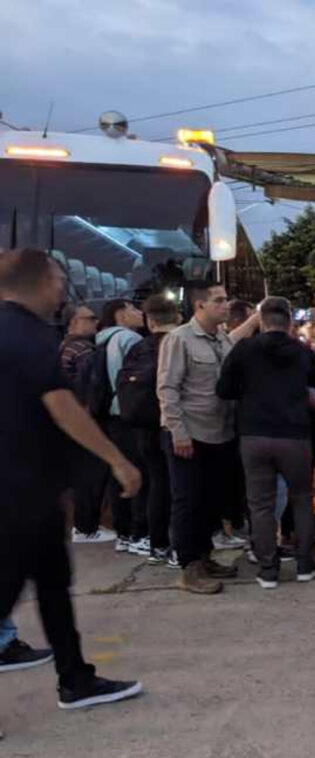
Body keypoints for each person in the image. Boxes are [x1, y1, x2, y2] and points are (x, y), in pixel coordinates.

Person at [0, 247, 142, 709]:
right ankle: (75, 679)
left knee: (54, 587)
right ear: (40, 282)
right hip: (18, 491)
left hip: (31, 488)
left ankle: (75, 679)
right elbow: (60, 405)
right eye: (59, 282)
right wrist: (116, 459)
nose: (63, 291)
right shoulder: (29, 333)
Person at [216, 297, 315, 590]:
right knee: (301, 498)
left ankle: (268, 570)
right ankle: (304, 564)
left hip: (254, 435)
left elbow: (223, 389)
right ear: (289, 322)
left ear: (261, 322)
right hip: (295, 436)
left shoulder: (244, 349)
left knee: (260, 504)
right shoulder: (301, 351)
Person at [158, 283, 251, 594]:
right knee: (188, 502)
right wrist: (178, 433)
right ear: (199, 305)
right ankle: (188, 567)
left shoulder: (220, 338)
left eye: (226, 299)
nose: (226, 305)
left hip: (220, 434)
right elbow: (168, 389)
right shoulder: (179, 339)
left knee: (211, 501)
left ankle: (204, 556)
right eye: (219, 300)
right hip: (190, 435)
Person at [121, 294, 181, 564]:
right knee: (181, 487)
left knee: (157, 483)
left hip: (143, 426)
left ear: (149, 319)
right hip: (174, 426)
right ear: (178, 316)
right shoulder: (180, 343)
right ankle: (181, 546)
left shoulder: (138, 347)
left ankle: (157, 545)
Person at [96, 298, 148, 554]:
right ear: (120, 314)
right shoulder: (129, 340)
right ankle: (141, 533)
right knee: (139, 473)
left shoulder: (101, 339)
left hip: (108, 414)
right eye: (134, 309)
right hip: (129, 414)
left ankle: (124, 533)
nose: (141, 313)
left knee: (119, 474)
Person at [59, 303, 114, 545]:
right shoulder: (83, 351)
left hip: (71, 419)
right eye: (89, 318)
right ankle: (86, 528)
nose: (96, 322)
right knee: (92, 472)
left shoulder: (64, 347)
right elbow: (92, 387)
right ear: (73, 323)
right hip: (86, 419)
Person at [58, 303, 98, 385]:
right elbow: (91, 384)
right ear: (74, 322)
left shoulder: (63, 345)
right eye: (91, 318)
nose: (97, 322)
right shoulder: (83, 349)